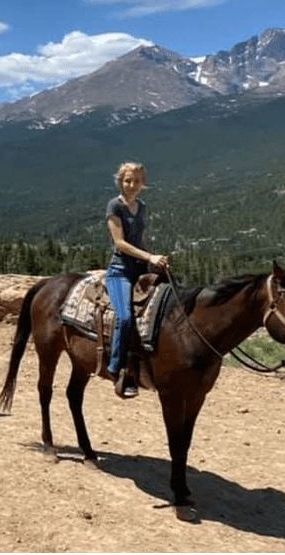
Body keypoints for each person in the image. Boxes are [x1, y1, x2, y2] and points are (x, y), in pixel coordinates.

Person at [105, 162, 169, 399]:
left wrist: (155, 261)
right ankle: (116, 368)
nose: (131, 186)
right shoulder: (115, 205)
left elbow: (141, 238)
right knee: (124, 317)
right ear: (120, 181)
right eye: (127, 181)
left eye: (136, 181)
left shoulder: (141, 206)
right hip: (120, 270)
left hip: (140, 269)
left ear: (143, 184)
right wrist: (149, 256)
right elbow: (119, 243)